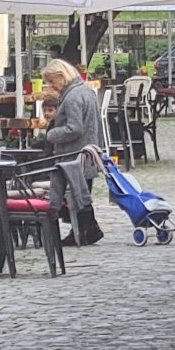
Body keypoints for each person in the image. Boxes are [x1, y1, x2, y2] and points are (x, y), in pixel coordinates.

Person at [41, 59, 104, 245]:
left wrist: (51, 134)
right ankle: (86, 230)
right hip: (87, 151)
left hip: (75, 154)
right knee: (82, 193)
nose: (51, 86)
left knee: (78, 194)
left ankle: (85, 231)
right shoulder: (86, 91)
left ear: (62, 76)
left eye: (52, 81)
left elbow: (74, 128)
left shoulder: (72, 97)